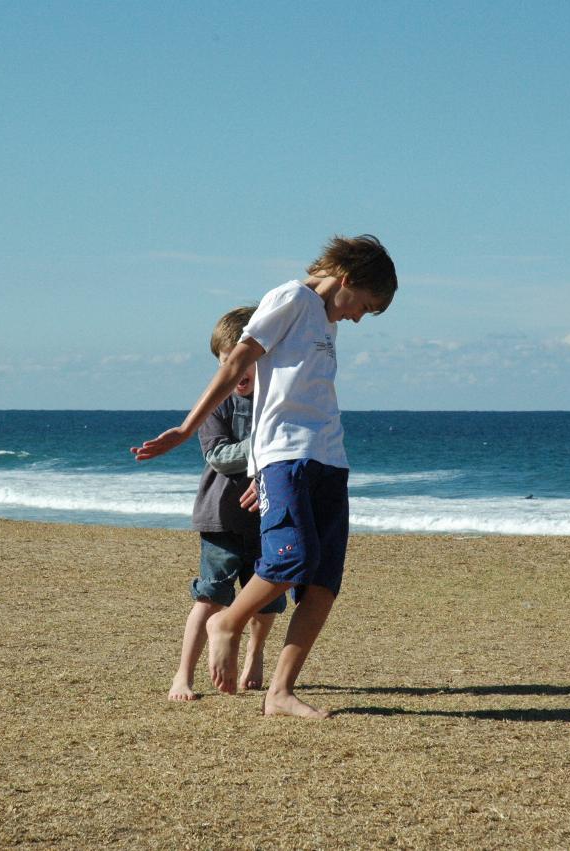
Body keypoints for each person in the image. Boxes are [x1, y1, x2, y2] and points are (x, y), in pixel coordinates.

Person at [133, 234, 397, 719]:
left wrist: (258, 472)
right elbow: (237, 360)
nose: (360, 316)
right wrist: (189, 428)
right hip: (288, 456)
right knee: (290, 558)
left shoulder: (326, 321)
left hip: (328, 458)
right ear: (348, 279)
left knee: (322, 584)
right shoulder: (291, 298)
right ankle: (227, 623)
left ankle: (280, 693)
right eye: (364, 304)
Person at [169, 306, 287, 702]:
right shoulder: (216, 402)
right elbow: (218, 455)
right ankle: (182, 675)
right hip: (220, 517)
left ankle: (255, 655)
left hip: (267, 514)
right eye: (227, 363)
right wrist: (265, 445)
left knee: (267, 599)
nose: (238, 371)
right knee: (211, 595)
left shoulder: (276, 400)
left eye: (246, 361)